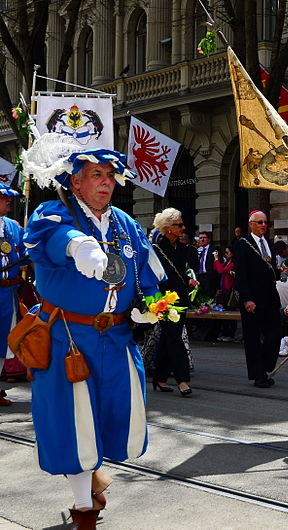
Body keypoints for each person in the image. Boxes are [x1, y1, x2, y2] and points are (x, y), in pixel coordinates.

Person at [21, 138, 165, 526]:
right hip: (69, 337)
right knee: (75, 420)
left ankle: (93, 477)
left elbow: (147, 271)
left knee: (116, 414)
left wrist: (152, 304)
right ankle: (83, 505)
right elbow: (53, 239)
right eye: (96, 175)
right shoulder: (52, 212)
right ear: (76, 182)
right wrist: (80, 246)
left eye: (110, 176)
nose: (106, 183)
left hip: (116, 338)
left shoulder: (126, 222)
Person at [152, 208, 198, 396]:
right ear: (168, 228)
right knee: (174, 337)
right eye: (179, 225)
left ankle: (159, 377)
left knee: (168, 337)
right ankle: (182, 379)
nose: (183, 228)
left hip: (181, 297)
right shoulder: (156, 249)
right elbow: (154, 275)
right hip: (164, 299)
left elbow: (181, 271)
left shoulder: (182, 247)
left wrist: (189, 280)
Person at [234, 210, 282, 389]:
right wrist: (246, 298)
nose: (263, 225)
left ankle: (265, 365)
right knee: (253, 337)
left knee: (274, 334)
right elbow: (241, 274)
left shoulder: (269, 243)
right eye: (259, 222)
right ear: (251, 224)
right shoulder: (242, 244)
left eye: (265, 222)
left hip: (270, 297)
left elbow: (270, 269)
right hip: (252, 298)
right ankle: (258, 374)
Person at [0, 183, 24, 406]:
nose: (8, 202)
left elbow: (27, 252)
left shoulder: (13, 227)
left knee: (3, 340)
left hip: (8, 293)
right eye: (4, 198)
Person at [213, 245, 237, 342]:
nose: (226, 254)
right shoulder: (227, 262)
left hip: (230, 290)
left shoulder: (234, 263)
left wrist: (216, 259)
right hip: (224, 290)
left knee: (230, 312)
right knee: (224, 312)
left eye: (227, 252)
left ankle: (230, 334)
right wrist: (216, 259)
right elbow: (217, 268)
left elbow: (220, 270)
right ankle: (225, 333)